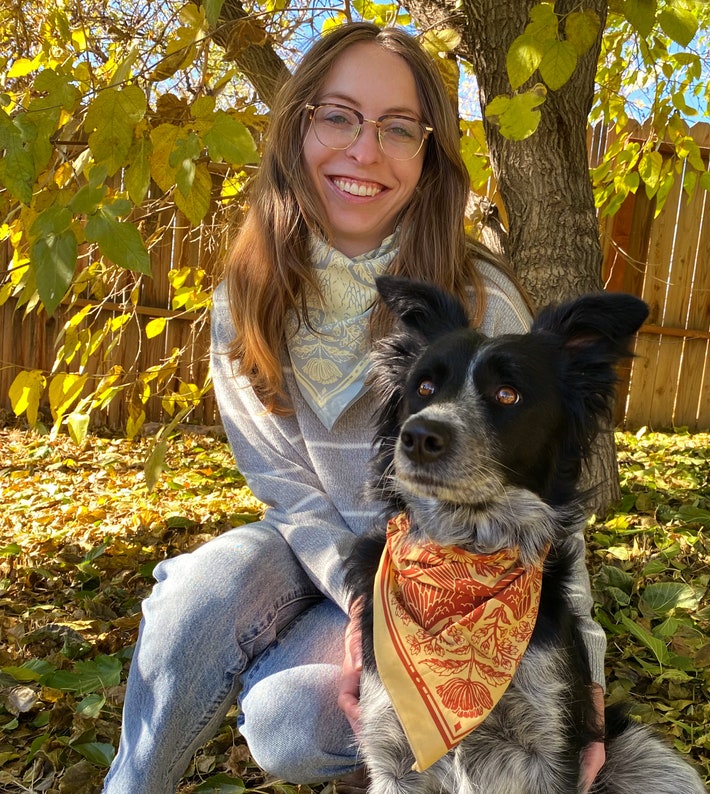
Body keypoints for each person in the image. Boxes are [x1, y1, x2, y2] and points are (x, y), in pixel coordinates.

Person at [103, 22, 607, 794]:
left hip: (452, 576)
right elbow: (288, 492)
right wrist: (364, 612)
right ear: (297, 125)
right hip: (321, 558)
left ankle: (313, 700)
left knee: (289, 723)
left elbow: (548, 504)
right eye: (338, 116)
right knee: (198, 594)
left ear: (428, 154)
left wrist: (588, 687)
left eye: (398, 128)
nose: (363, 151)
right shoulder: (246, 299)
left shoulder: (481, 301)